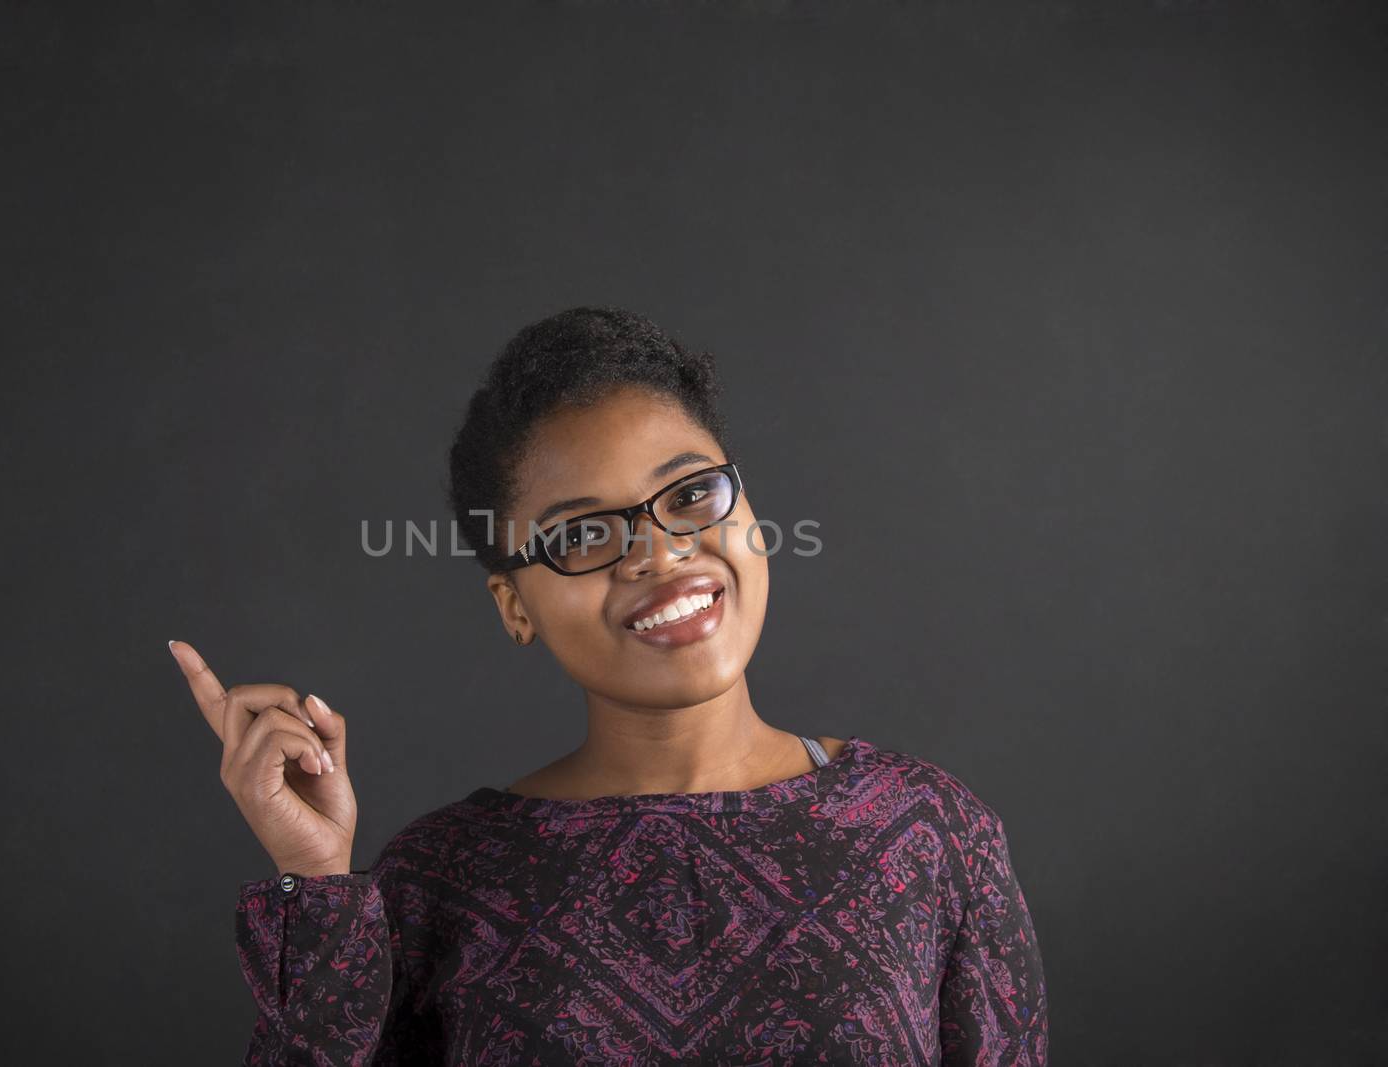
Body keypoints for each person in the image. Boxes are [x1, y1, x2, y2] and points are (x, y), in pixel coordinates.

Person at [168, 306, 1049, 1065]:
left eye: (691, 494)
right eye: (583, 535)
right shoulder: (440, 881)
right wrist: (317, 878)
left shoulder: (929, 832)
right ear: (515, 604)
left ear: (748, 510)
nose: (660, 553)